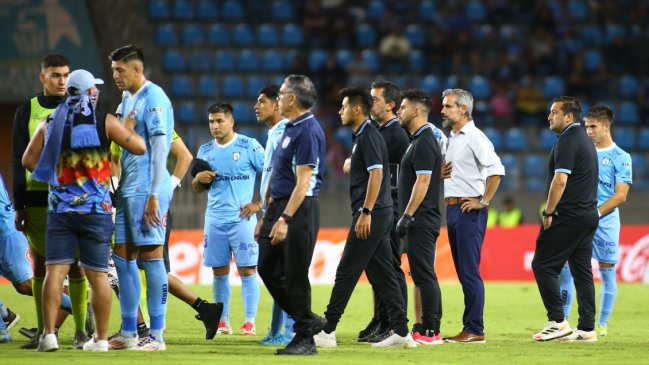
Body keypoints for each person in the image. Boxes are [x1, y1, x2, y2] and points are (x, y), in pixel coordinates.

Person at [22, 69, 147, 352]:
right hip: (97, 210)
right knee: (98, 275)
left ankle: (49, 336)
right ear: (90, 92)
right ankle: (101, 340)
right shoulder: (106, 121)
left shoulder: (49, 121)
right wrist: (128, 128)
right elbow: (139, 147)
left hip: (61, 210)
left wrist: (56, 175)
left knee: (55, 272)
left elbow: (29, 160)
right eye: (95, 88)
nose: (97, 92)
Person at [314, 87, 416, 349]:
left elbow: (378, 175)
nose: (340, 111)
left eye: (344, 106)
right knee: (383, 274)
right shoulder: (365, 134)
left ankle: (328, 330)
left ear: (357, 109)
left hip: (372, 213)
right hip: (379, 213)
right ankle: (402, 332)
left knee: (346, 271)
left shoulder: (369, 135)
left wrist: (366, 212)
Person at [108, 128, 223, 340]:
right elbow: (114, 161)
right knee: (137, 266)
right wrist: (115, 186)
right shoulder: (121, 122)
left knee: (132, 266)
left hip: (150, 206)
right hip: (130, 204)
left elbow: (186, 156)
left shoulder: (157, 120)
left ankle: (144, 327)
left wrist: (168, 187)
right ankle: (204, 309)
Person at [11, 53, 90, 349]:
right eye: (56, 75)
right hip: (37, 198)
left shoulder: (81, 108)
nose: (62, 81)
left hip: (74, 200)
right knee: (40, 267)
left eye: (66, 75)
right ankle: (46, 330)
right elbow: (18, 159)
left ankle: (81, 330)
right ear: (42, 77)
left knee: (76, 266)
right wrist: (19, 203)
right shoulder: (27, 111)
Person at [108, 45, 175, 351]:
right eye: (113, 70)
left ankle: (157, 335)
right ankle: (128, 331)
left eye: (120, 70)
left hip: (148, 189)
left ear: (136, 70)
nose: (115, 76)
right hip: (128, 189)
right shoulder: (127, 98)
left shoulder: (155, 97)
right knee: (122, 258)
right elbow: (122, 138)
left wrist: (154, 195)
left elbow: (161, 149)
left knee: (151, 258)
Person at [256, 75, 326, 356]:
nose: (278, 98)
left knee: (296, 274)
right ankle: (308, 319)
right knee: (266, 267)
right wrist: (269, 212)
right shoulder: (289, 128)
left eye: (282, 93)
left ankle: (305, 339)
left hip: (298, 209)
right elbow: (279, 172)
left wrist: (285, 218)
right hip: (278, 207)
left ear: (292, 99)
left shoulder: (307, 131)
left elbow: (304, 181)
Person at [558, 105, 631, 338]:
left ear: (606, 126)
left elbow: (621, 195)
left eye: (593, 127)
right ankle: (564, 323)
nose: (588, 131)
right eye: (586, 126)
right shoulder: (581, 151)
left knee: (607, 272)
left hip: (605, 221)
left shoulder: (621, 157)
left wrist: (596, 214)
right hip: (578, 218)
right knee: (566, 270)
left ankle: (601, 324)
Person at [191, 102, 264, 337]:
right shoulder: (204, 151)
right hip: (214, 220)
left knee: (248, 270)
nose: (215, 125)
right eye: (211, 121)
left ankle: (250, 322)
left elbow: (273, 174)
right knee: (219, 272)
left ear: (231, 121)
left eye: (220, 120)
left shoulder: (249, 146)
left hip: (242, 220)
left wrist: (258, 204)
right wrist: (197, 180)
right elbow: (198, 189)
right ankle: (222, 322)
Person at [531, 96, 599, 342]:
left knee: (543, 265)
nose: (549, 116)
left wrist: (548, 212)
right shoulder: (584, 139)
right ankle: (587, 328)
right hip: (587, 215)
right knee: (582, 273)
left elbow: (560, 180)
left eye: (554, 112)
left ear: (568, 117)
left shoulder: (568, 140)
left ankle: (557, 321)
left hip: (568, 215)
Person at [442, 88, 505, 343]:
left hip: (469, 211)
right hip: (454, 208)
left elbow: (497, 170)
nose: (443, 110)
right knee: (463, 271)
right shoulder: (454, 137)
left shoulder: (475, 137)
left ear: (463, 110)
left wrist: (484, 201)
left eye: (448, 106)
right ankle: (470, 327)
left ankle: (475, 329)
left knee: (469, 271)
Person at [351, 80, 409, 343]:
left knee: (391, 269)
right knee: (377, 269)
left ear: (390, 105)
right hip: (381, 207)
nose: (368, 103)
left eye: (374, 99)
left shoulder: (394, 134)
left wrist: (354, 162)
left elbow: (383, 171)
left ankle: (395, 323)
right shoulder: (378, 131)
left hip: (391, 208)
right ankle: (382, 318)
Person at [394, 89, 444, 345]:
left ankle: (432, 330)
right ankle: (424, 326)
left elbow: (423, 182)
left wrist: (407, 216)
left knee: (424, 274)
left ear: (415, 111)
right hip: (418, 219)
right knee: (421, 273)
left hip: (421, 219)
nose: (398, 111)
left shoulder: (424, 141)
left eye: (402, 107)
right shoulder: (417, 139)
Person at [251, 85, 295, 346]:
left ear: (277, 104)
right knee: (276, 270)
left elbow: (283, 171)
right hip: (273, 208)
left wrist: (274, 211)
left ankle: (290, 329)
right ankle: (277, 329)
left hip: (281, 208)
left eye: (262, 101)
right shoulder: (274, 132)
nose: (256, 106)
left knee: (280, 270)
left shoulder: (284, 131)